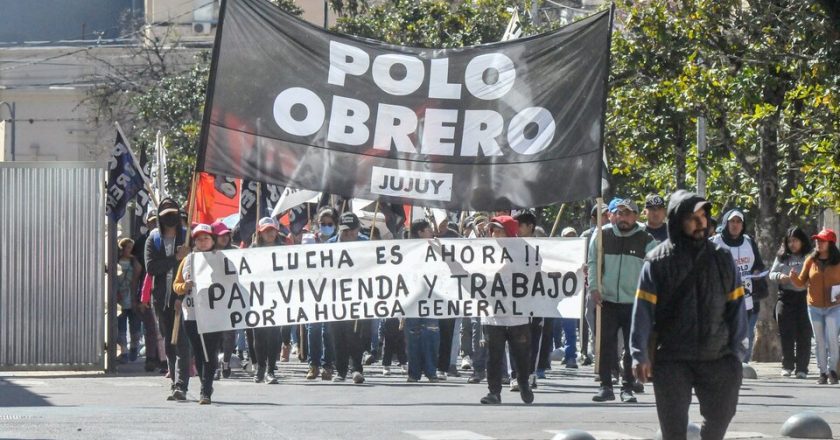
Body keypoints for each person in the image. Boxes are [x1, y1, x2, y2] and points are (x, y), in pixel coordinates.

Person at [630, 190, 748, 440]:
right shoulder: (656, 261)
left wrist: (736, 353)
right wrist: (639, 354)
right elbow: (642, 311)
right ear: (676, 220)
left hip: (718, 357)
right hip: (672, 359)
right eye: (693, 217)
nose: (701, 222)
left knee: (720, 419)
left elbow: (737, 308)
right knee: (673, 431)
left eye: (704, 216)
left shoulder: (722, 258)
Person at [588, 199, 657, 403]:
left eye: (627, 214)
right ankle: (605, 385)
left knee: (631, 346)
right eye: (619, 213)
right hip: (606, 299)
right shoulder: (602, 234)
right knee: (605, 345)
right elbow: (593, 262)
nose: (623, 218)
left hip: (634, 302)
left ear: (636, 216)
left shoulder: (646, 238)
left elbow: (654, 269)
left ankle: (627, 387)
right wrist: (594, 287)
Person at [479, 215, 534, 405]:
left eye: (500, 230)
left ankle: (524, 382)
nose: (495, 234)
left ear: (510, 233)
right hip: (493, 314)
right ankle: (494, 392)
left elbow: (538, 271)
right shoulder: (482, 252)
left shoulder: (527, 251)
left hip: (517, 314)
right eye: (493, 230)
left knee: (520, 354)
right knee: (493, 356)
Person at [144, 197, 190, 401]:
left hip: (183, 297)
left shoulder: (187, 237)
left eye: (173, 214)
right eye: (165, 216)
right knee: (169, 342)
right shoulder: (153, 238)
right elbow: (151, 268)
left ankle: (182, 385)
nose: (170, 218)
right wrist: (174, 259)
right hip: (161, 299)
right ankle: (174, 381)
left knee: (181, 341)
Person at [173, 223, 222, 404]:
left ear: (212, 240)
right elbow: (176, 285)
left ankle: (206, 391)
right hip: (192, 314)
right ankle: (205, 382)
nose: (202, 242)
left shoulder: (221, 259)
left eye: (206, 238)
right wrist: (183, 287)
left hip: (214, 315)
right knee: (199, 353)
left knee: (210, 351)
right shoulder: (188, 260)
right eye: (199, 239)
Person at [710, 209, 767, 363]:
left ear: (743, 225)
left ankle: (740, 364)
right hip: (722, 299)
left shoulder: (749, 242)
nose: (735, 225)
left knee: (744, 335)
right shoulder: (715, 242)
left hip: (746, 298)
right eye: (732, 222)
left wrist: (756, 272)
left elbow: (758, 265)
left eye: (738, 222)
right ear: (726, 223)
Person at [790, 228, 840, 385]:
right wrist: (793, 278)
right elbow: (801, 282)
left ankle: (833, 370)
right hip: (814, 306)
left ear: (831, 243)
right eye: (817, 240)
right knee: (819, 340)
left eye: (822, 240)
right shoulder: (810, 260)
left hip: (835, 306)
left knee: (831, 337)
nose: (818, 243)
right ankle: (822, 372)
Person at [329, 212, 370, 384]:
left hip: (357, 295)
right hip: (335, 295)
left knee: (354, 333)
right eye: (345, 231)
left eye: (352, 231)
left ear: (358, 229)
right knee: (337, 333)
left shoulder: (366, 244)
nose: (349, 235)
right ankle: (340, 370)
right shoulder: (329, 245)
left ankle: (356, 370)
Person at [513, 210, 552, 388]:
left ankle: (530, 373)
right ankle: (515, 375)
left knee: (534, 336)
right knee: (514, 336)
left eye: (519, 225)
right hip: (514, 299)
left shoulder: (545, 248)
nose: (517, 229)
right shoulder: (511, 246)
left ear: (530, 226)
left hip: (537, 298)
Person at [769, 227, 812, 378]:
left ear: (802, 241)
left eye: (795, 240)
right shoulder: (782, 257)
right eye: (789, 241)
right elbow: (771, 274)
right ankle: (787, 365)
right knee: (786, 333)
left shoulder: (809, 256)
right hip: (786, 298)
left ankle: (802, 368)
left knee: (804, 334)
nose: (792, 244)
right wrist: (780, 276)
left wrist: (806, 282)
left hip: (805, 299)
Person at [405, 219, 442, 383]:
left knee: (431, 334)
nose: (431, 232)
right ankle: (414, 372)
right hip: (412, 299)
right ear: (420, 232)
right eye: (428, 230)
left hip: (431, 298)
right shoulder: (406, 250)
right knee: (413, 335)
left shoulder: (437, 249)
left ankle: (431, 371)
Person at [250, 217, 286, 384]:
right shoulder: (252, 250)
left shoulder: (284, 249)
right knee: (259, 334)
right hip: (258, 296)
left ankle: (271, 369)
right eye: (266, 230)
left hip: (277, 296)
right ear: (260, 232)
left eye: (272, 230)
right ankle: (260, 367)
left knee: (273, 335)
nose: (270, 233)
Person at [211, 220, 238, 380]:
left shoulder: (236, 252)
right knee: (214, 335)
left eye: (227, 235)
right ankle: (214, 366)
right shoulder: (205, 253)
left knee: (229, 334)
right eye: (221, 236)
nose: (225, 238)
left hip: (231, 299)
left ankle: (226, 361)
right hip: (212, 301)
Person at [116, 238, 142, 363]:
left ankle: (134, 348)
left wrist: (134, 259)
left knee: (135, 325)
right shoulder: (116, 261)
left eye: (131, 247)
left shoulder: (134, 262)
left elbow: (139, 273)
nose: (130, 250)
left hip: (132, 297)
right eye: (127, 247)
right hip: (120, 297)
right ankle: (123, 351)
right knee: (121, 326)